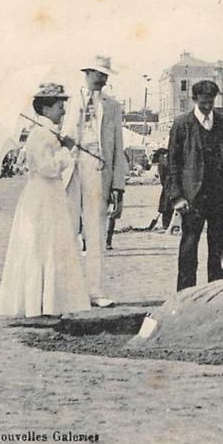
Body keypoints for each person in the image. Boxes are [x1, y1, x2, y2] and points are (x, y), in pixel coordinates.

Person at [0, 83, 90, 320]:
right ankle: (38, 305)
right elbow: (48, 168)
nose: (63, 111)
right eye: (60, 106)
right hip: (42, 195)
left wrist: (61, 144)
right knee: (41, 245)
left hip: (50, 194)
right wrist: (65, 150)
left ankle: (49, 303)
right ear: (46, 109)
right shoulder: (40, 134)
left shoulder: (47, 133)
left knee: (51, 244)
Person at [61, 55, 126, 308]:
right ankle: (66, 291)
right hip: (68, 168)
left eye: (106, 74)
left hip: (98, 169)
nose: (104, 79)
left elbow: (118, 147)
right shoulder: (67, 102)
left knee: (95, 231)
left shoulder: (112, 106)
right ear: (87, 73)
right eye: (100, 74)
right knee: (66, 231)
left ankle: (96, 292)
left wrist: (118, 185)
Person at [166, 80, 223, 291]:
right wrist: (177, 197)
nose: (208, 106)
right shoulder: (182, 124)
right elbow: (172, 163)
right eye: (203, 102)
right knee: (189, 248)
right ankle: (185, 296)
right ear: (194, 100)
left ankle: (215, 293)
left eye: (211, 102)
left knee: (219, 248)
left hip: (219, 196)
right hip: (192, 199)